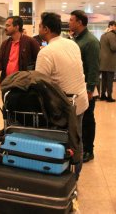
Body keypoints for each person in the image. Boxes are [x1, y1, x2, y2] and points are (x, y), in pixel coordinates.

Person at [35, 12, 88, 179]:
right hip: (79, 101)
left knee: (61, 142)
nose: (38, 28)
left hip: (62, 107)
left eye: (40, 25)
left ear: (46, 29)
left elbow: (39, 84)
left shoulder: (46, 52)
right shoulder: (72, 44)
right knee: (76, 138)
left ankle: (63, 176)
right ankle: (75, 175)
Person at [69, 10, 100, 162]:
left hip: (86, 87)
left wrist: (90, 89)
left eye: (71, 20)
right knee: (78, 119)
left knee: (88, 119)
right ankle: (79, 146)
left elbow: (94, 67)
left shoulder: (91, 41)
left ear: (79, 22)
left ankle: (89, 150)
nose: (69, 22)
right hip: (76, 85)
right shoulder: (76, 39)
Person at [0, 16, 40, 83]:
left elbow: (37, 62)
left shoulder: (31, 42)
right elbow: (0, 61)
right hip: (7, 83)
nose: (5, 28)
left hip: (23, 84)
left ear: (17, 27)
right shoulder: (5, 44)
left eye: (8, 26)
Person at [99, 21, 116, 102]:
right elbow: (113, 48)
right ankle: (109, 96)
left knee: (104, 79)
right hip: (110, 61)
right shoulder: (113, 35)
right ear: (110, 26)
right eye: (115, 25)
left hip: (103, 61)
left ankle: (102, 95)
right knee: (109, 80)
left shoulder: (103, 35)